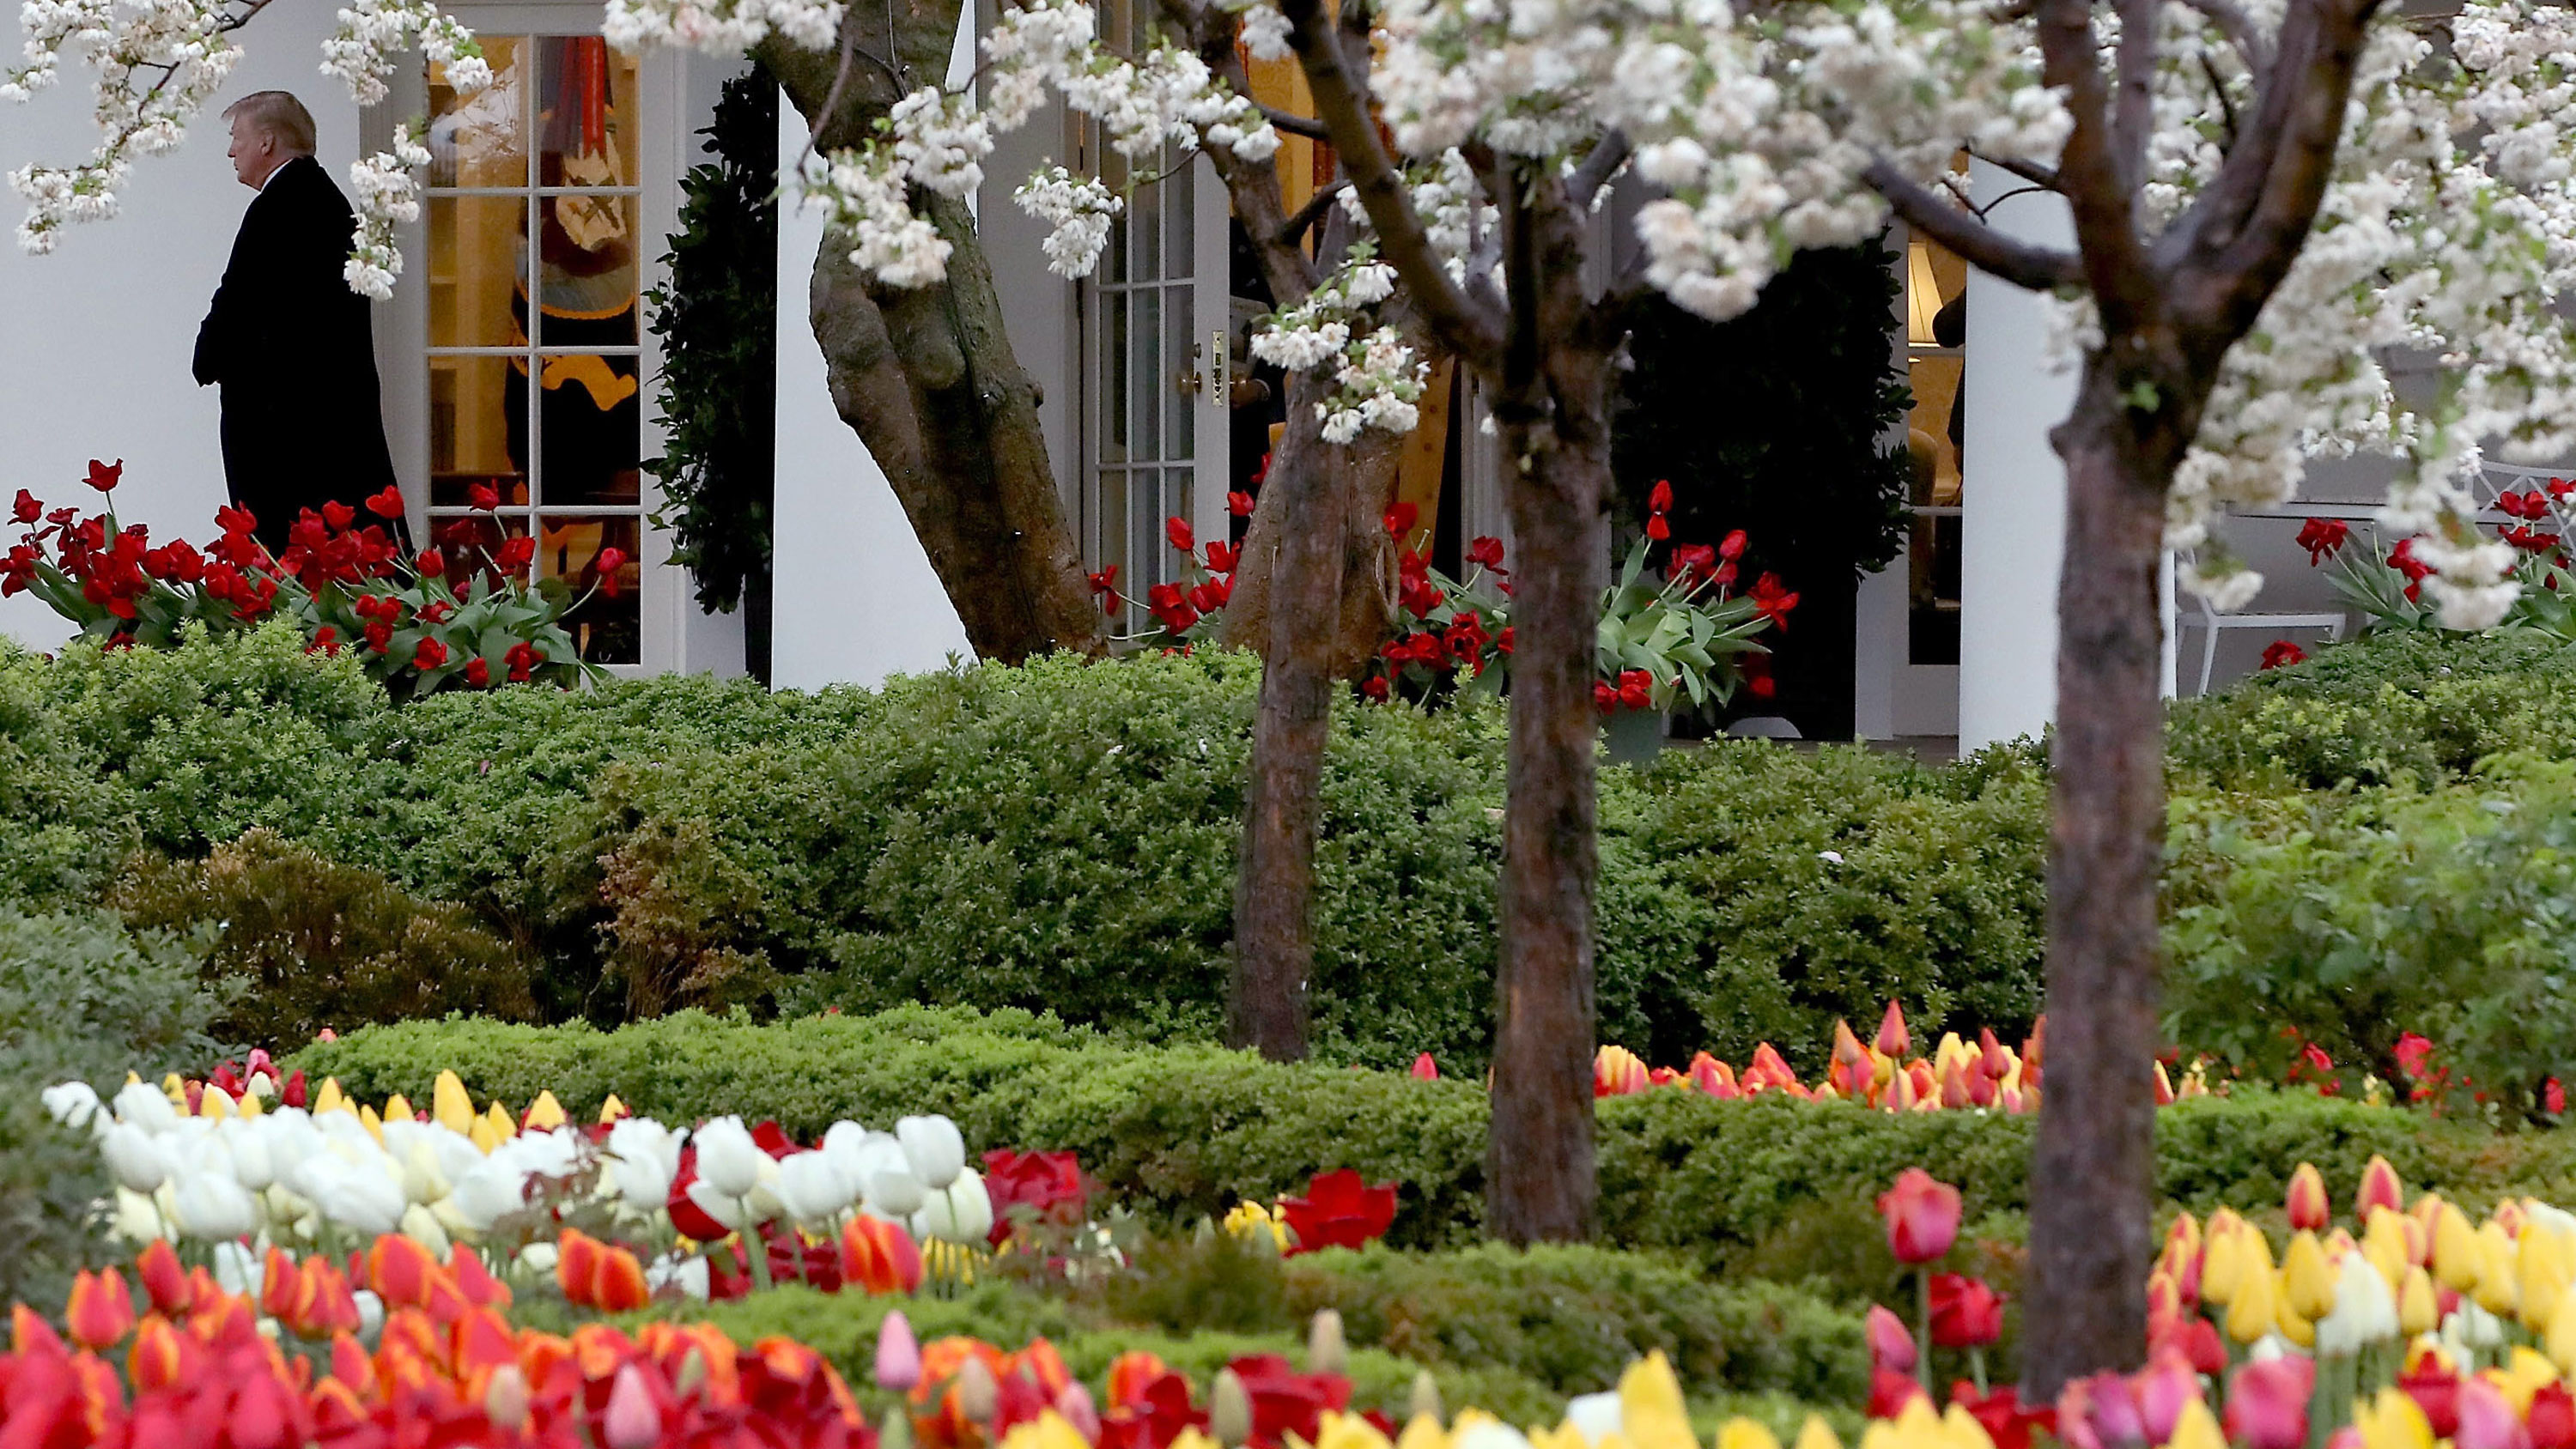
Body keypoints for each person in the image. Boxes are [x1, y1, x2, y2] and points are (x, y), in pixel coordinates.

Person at [192, 91, 398, 553]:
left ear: (266, 142)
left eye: (236, 138)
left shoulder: (278, 207)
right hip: (327, 420)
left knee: (287, 556)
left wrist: (206, 360)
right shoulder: (325, 200)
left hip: (284, 430)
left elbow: (238, 302)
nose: (231, 151)